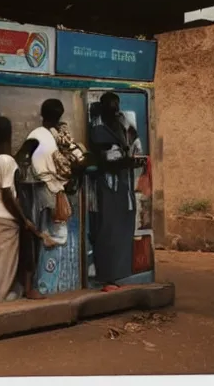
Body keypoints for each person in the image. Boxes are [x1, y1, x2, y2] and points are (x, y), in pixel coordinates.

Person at [0, 116, 46, 302]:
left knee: (2, 261)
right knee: (5, 265)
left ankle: (9, 294)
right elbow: (8, 196)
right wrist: (23, 220)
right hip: (3, 218)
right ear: (9, 134)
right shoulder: (6, 161)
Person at [88, 91, 146, 290]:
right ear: (103, 106)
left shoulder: (123, 124)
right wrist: (125, 162)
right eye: (110, 104)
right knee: (108, 231)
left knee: (124, 230)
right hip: (107, 185)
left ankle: (120, 273)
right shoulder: (97, 128)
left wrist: (135, 159)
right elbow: (103, 160)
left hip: (124, 185)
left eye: (116, 103)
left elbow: (135, 146)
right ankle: (106, 276)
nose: (115, 107)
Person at [21, 99, 77, 246]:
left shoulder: (37, 134)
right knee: (57, 236)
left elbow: (23, 160)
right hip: (59, 191)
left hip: (41, 191)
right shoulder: (63, 136)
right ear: (60, 116)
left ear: (41, 114)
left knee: (42, 235)